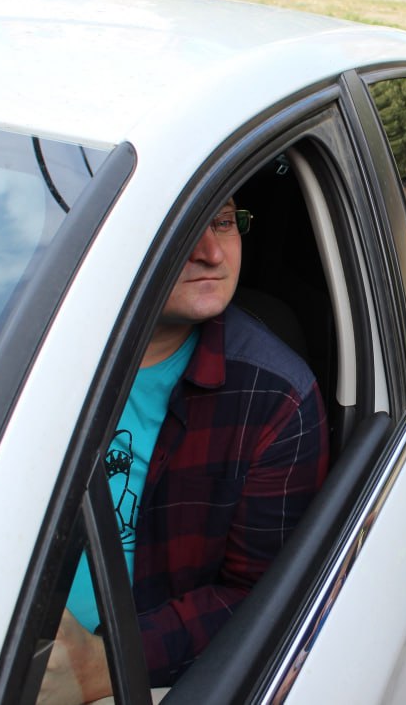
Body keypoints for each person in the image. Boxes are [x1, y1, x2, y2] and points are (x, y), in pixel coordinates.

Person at [40, 198, 329, 703]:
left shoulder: (275, 398)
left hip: (141, 678)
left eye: (222, 222)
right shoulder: (34, 358)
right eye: (185, 226)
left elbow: (260, 603)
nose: (213, 253)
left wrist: (104, 666)